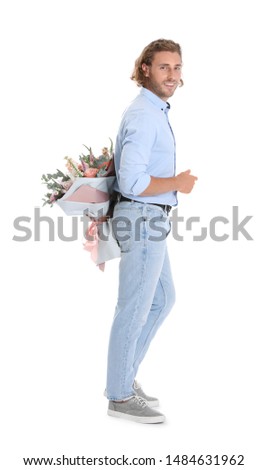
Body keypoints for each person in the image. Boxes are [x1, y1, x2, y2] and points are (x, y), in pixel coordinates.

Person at [106, 38, 198, 423]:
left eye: (177, 68)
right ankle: (120, 396)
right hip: (143, 217)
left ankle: (124, 377)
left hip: (149, 219)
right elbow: (131, 181)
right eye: (164, 67)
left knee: (162, 299)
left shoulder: (154, 110)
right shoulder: (145, 114)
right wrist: (177, 181)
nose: (172, 75)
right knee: (135, 308)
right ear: (145, 68)